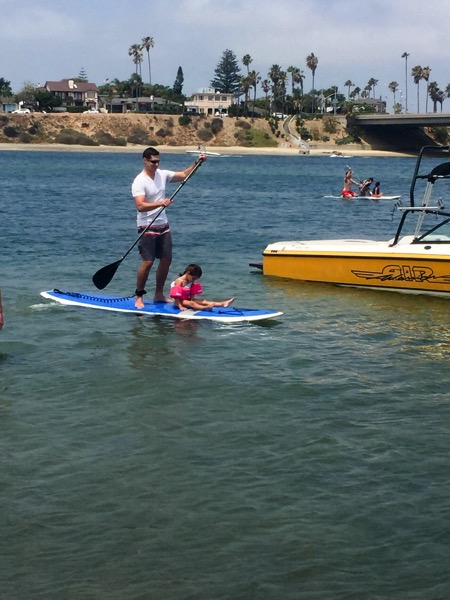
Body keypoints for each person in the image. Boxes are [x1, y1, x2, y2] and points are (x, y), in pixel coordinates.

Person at [131, 147, 206, 309]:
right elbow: (140, 206)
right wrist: (161, 203)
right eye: (153, 162)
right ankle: (139, 296)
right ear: (145, 160)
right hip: (146, 226)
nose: (156, 164)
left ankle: (158, 293)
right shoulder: (139, 181)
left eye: (158, 161)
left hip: (163, 225)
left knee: (166, 260)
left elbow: (184, 175)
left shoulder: (162, 174)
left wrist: (197, 163)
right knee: (148, 262)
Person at [170, 264, 235, 311]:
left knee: (203, 301)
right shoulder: (179, 281)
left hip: (186, 299)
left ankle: (223, 303)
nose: (194, 280)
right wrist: (180, 306)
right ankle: (205, 308)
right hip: (177, 301)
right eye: (193, 278)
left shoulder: (190, 280)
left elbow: (192, 293)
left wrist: (193, 300)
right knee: (191, 303)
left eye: (196, 279)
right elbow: (176, 296)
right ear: (188, 272)